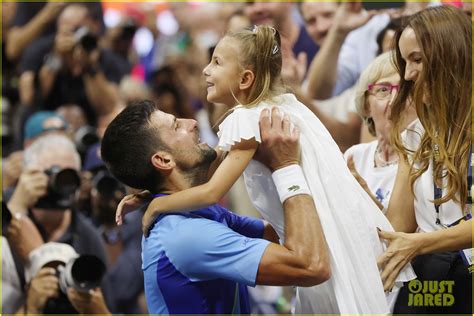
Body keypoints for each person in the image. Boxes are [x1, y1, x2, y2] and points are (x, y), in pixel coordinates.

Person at [119, 25, 414, 314]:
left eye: (217, 62)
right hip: (328, 227)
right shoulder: (280, 107)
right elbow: (211, 170)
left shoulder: (247, 120)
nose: (206, 71)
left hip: (322, 236)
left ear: (245, 78)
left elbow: (211, 192)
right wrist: (151, 194)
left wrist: (158, 207)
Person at [101, 100, 331, 314]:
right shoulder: (184, 236)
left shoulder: (193, 214)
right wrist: (286, 167)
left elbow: (280, 234)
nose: (192, 123)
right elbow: (311, 266)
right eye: (176, 125)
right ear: (163, 160)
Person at [373, 6, 472, 314]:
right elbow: (400, 227)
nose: (407, 74)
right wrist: (404, 144)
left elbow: (412, 240)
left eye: (417, 59)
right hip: (433, 278)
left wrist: (421, 243)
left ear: (450, 54)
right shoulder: (418, 132)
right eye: (405, 62)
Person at [344, 52, 417, 210]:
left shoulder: (425, 160)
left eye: (405, 90)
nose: (394, 100)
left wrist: (369, 200)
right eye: (383, 90)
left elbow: (405, 232)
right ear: (366, 106)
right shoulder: (354, 157)